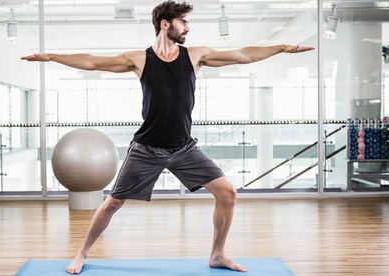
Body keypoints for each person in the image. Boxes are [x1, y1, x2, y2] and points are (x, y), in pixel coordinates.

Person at [21, 1, 314, 274]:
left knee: (228, 193)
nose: (187, 27)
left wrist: (282, 48)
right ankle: (82, 253)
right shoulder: (139, 59)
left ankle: (217, 254)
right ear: (165, 24)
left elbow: (242, 55)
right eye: (183, 21)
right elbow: (92, 62)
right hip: (146, 149)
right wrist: (50, 57)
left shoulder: (196, 55)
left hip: (184, 149)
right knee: (112, 202)